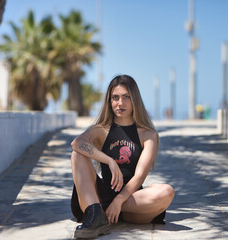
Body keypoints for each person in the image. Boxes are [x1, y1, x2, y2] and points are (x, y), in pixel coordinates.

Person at [70, 75, 175, 239]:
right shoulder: (101, 130)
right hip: (99, 196)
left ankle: (106, 211)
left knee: (166, 191)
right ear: (109, 101)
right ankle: (95, 214)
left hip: (132, 200)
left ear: (135, 100)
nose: (120, 103)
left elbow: (140, 175)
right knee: (78, 155)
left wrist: (118, 202)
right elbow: (76, 143)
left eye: (126, 97)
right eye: (115, 98)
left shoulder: (148, 135)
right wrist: (109, 160)